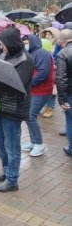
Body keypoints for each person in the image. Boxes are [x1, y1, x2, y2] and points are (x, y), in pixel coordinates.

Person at [0, 26, 34, 192]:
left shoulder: (25, 60)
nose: (0, 47)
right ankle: (6, 171)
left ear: (11, 42)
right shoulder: (3, 55)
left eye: (2, 43)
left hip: (14, 109)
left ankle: (12, 180)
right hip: (0, 106)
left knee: (12, 145)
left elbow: (17, 85)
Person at [21, 34, 54, 157]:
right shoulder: (31, 53)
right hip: (33, 90)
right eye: (24, 42)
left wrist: (28, 84)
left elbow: (43, 72)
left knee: (30, 116)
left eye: (27, 42)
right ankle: (33, 141)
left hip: (42, 90)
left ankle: (39, 144)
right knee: (28, 116)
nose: (25, 44)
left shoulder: (42, 53)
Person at [55, 29, 72, 157]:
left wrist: (62, 100)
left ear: (62, 42)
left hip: (70, 93)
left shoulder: (63, 53)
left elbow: (61, 78)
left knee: (70, 120)